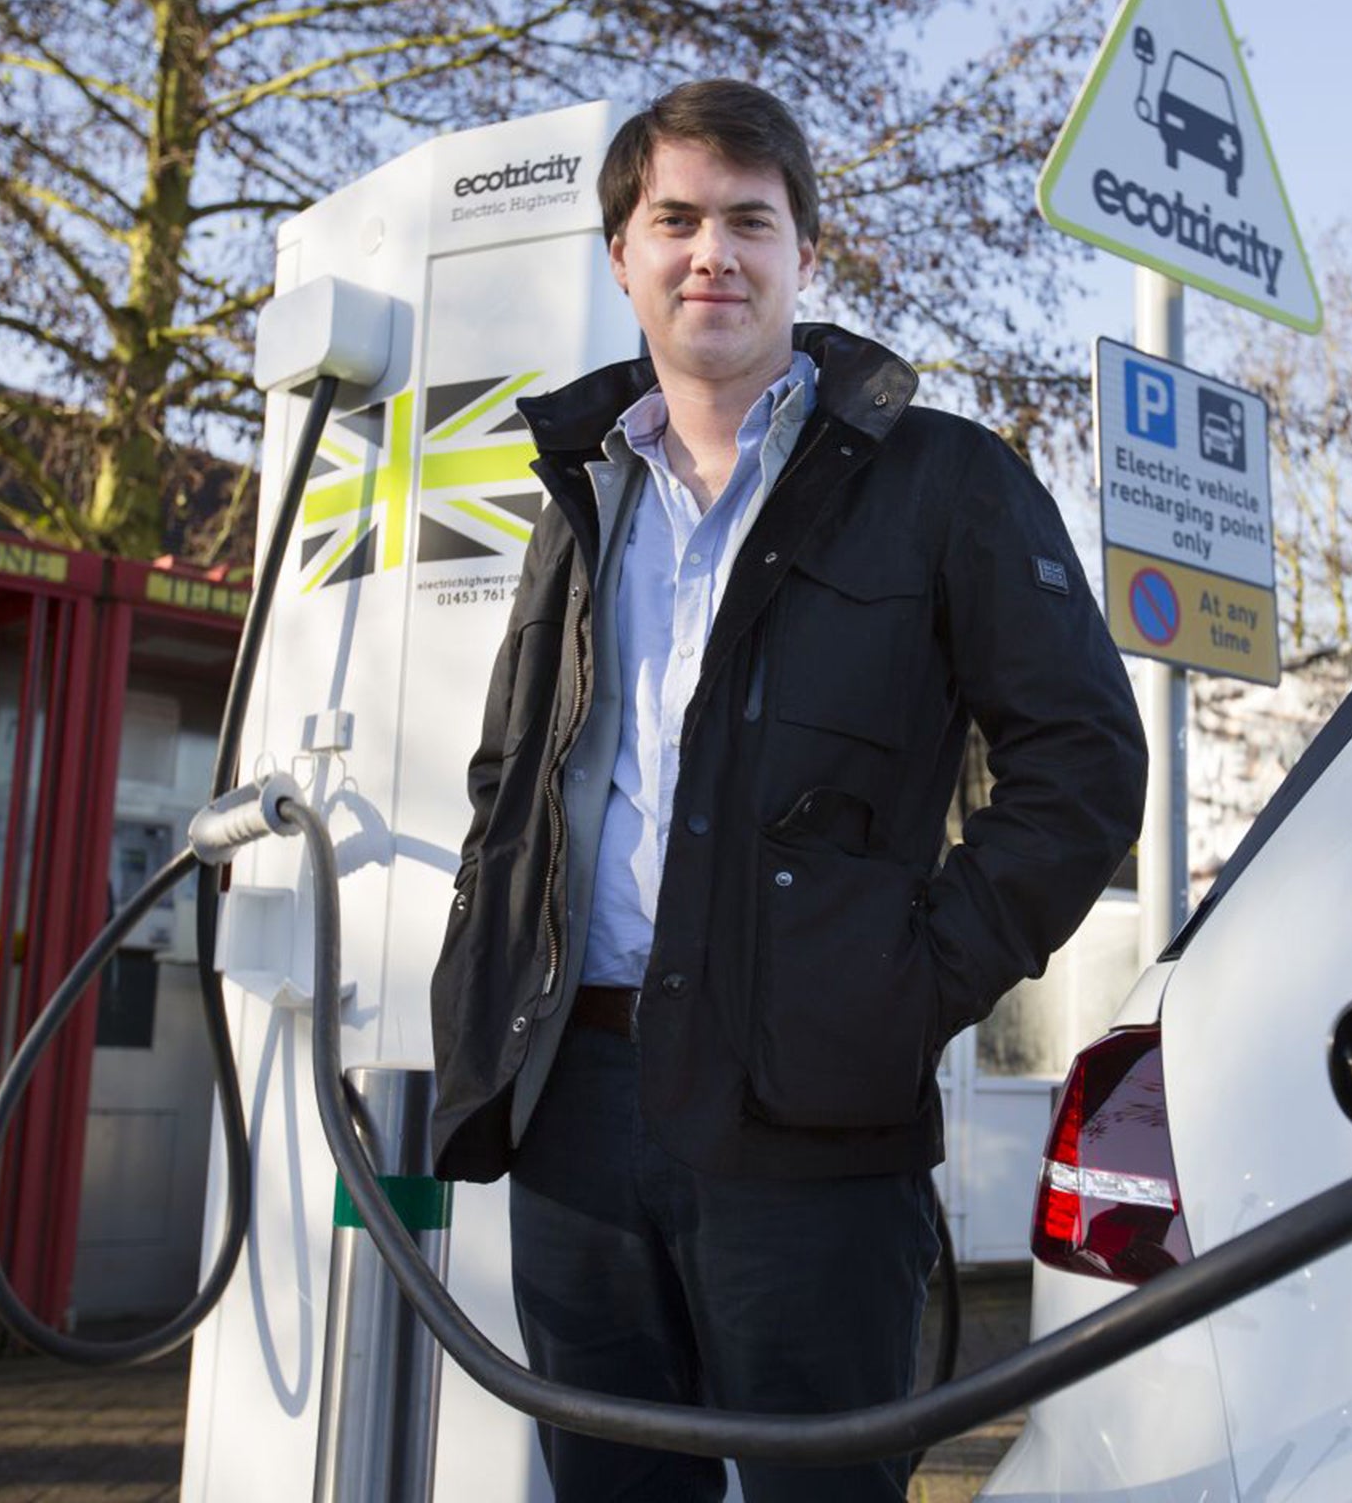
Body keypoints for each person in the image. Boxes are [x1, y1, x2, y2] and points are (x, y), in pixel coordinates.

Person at [428, 79, 1147, 1501]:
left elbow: (1081, 763)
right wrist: (490, 973)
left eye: (751, 221)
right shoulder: (581, 501)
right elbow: (513, 774)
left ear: (805, 254)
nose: (714, 253)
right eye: (676, 220)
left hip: (811, 1117)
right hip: (574, 1097)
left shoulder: (941, 479)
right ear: (621, 256)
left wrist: (909, 978)